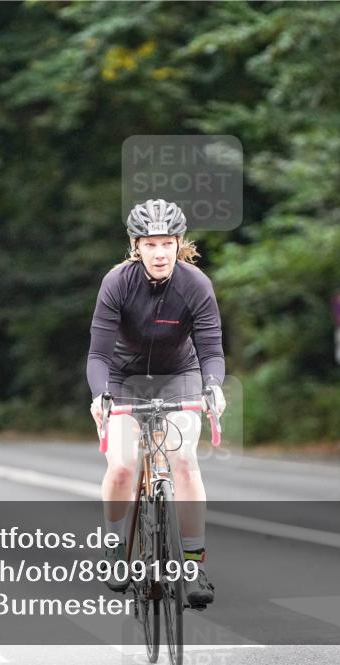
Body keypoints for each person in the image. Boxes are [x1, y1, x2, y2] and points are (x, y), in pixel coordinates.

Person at [87, 199, 227, 608]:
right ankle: (115, 548)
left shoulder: (195, 284)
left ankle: (193, 563)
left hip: (179, 376)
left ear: (179, 242)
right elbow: (98, 354)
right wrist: (100, 395)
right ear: (136, 246)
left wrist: (213, 387)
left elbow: (211, 349)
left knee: (183, 460)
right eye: (150, 244)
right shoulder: (118, 282)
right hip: (124, 379)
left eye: (167, 243)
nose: (160, 253)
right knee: (122, 465)